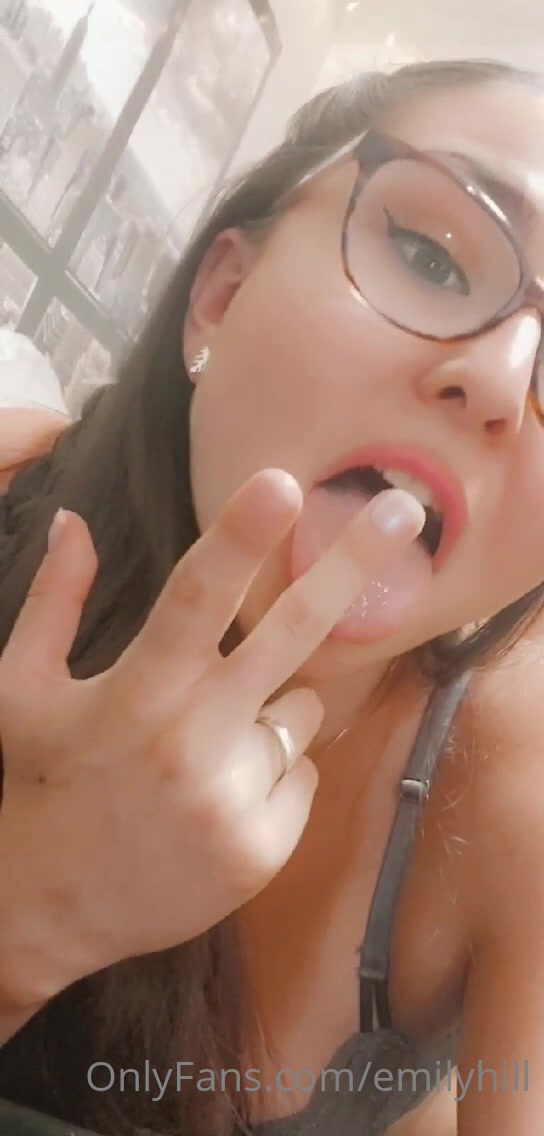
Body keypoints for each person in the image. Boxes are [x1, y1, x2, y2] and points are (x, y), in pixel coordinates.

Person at [1, 55, 544, 1136]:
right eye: (431, 254)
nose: (499, 379)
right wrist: (38, 905)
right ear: (222, 296)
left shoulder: (513, 792)